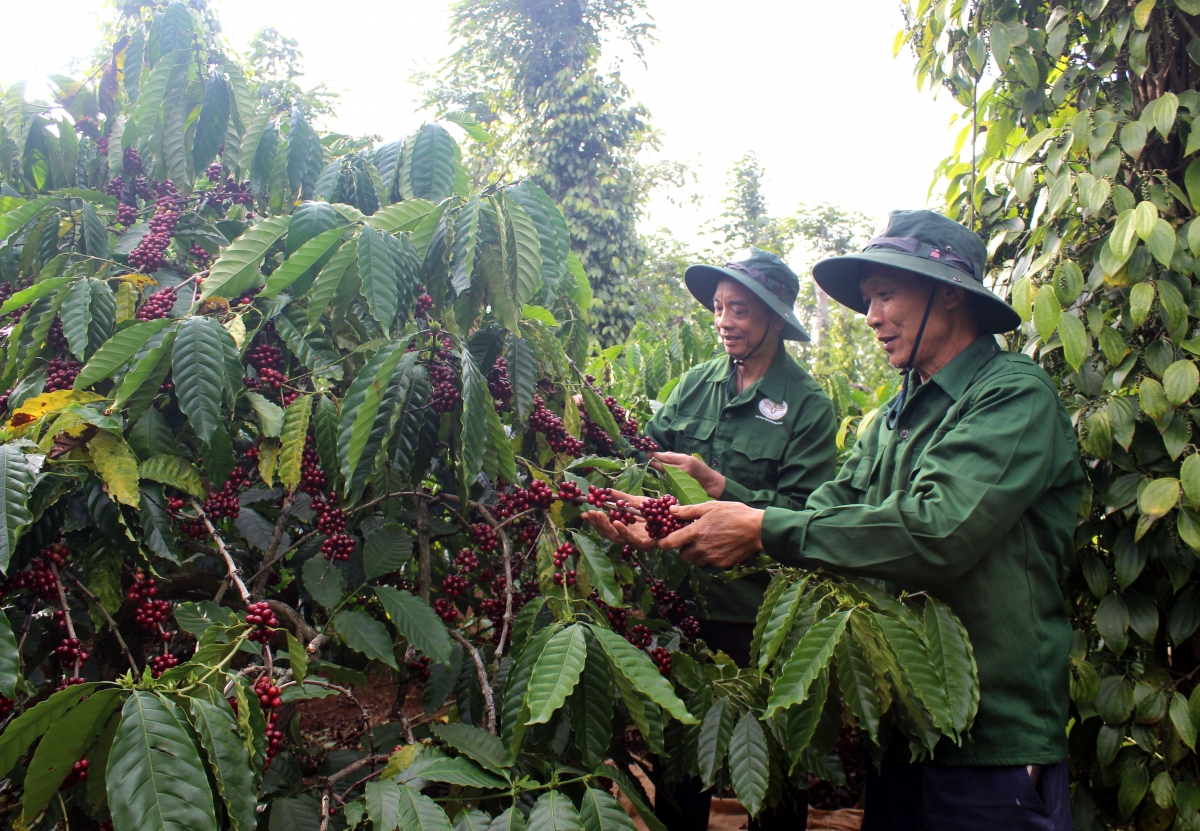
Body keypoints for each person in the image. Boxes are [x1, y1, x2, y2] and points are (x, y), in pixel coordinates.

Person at [591, 211, 1083, 831]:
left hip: (990, 746)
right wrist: (682, 520)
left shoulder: (1011, 397)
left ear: (950, 294)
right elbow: (827, 510)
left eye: (886, 294)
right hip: (904, 724)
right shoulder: (895, 417)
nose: (871, 316)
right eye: (868, 299)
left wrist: (761, 527)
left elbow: (937, 528)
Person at [599, 248, 837, 831]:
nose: (725, 321)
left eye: (741, 311)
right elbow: (645, 459)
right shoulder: (696, 385)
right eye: (719, 308)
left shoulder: (807, 406)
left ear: (775, 320)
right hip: (686, 608)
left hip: (760, 615)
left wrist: (721, 484)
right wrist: (597, 422)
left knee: (775, 765)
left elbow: (811, 516)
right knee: (681, 761)